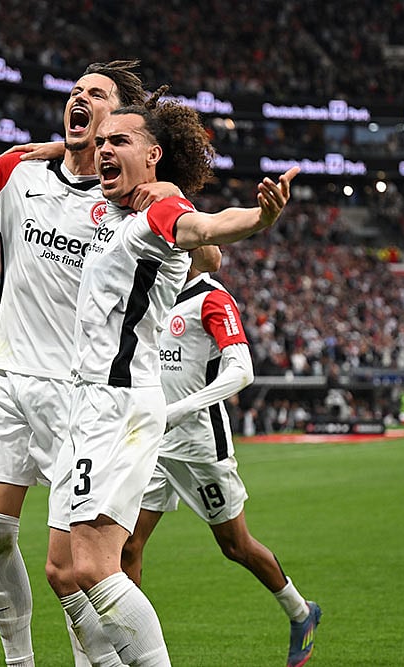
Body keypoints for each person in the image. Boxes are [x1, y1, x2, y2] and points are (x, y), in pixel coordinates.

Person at [0, 49, 168, 667]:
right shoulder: (19, 172)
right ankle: (19, 662)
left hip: (79, 390)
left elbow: (189, 239)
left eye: (96, 95)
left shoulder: (131, 198)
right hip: (5, 371)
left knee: (75, 566)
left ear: (117, 122)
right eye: (75, 91)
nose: (80, 99)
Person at [46, 94, 301, 666]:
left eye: (120, 141)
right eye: (101, 142)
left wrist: (261, 217)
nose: (103, 149)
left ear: (154, 154)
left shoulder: (160, 213)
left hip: (118, 406)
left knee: (94, 565)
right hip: (85, 404)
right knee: (62, 570)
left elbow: (205, 226)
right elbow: (71, 159)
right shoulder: (119, 213)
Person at [120, 245, 321, 667]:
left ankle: (301, 613)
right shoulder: (154, 294)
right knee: (127, 546)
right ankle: (132, 650)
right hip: (155, 445)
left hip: (199, 447)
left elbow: (242, 370)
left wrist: (178, 410)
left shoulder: (213, 299)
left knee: (235, 546)